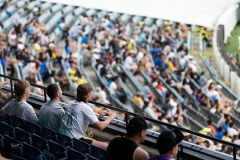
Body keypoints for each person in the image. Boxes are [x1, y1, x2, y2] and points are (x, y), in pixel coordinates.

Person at [60, 83, 117, 149]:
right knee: (107, 146)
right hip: (74, 141)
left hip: (64, 137)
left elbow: (80, 119)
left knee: (92, 139)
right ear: (89, 94)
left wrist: (98, 117)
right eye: (91, 92)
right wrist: (111, 117)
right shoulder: (85, 107)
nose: (92, 93)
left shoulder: (72, 103)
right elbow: (100, 127)